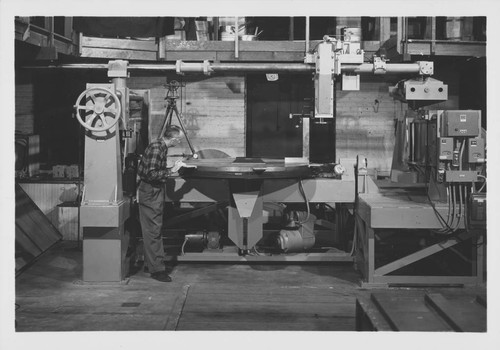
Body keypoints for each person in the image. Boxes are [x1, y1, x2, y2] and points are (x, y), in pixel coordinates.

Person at [137, 125, 185, 282]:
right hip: (151, 191)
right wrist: (172, 171)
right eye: (178, 140)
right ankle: (157, 270)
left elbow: (154, 171)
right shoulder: (157, 148)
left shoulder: (160, 147)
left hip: (153, 191)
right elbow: (151, 174)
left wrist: (171, 168)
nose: (178, 143)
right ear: (172, 138)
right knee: (153, 231)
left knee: (152, 229)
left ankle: (150, 264)